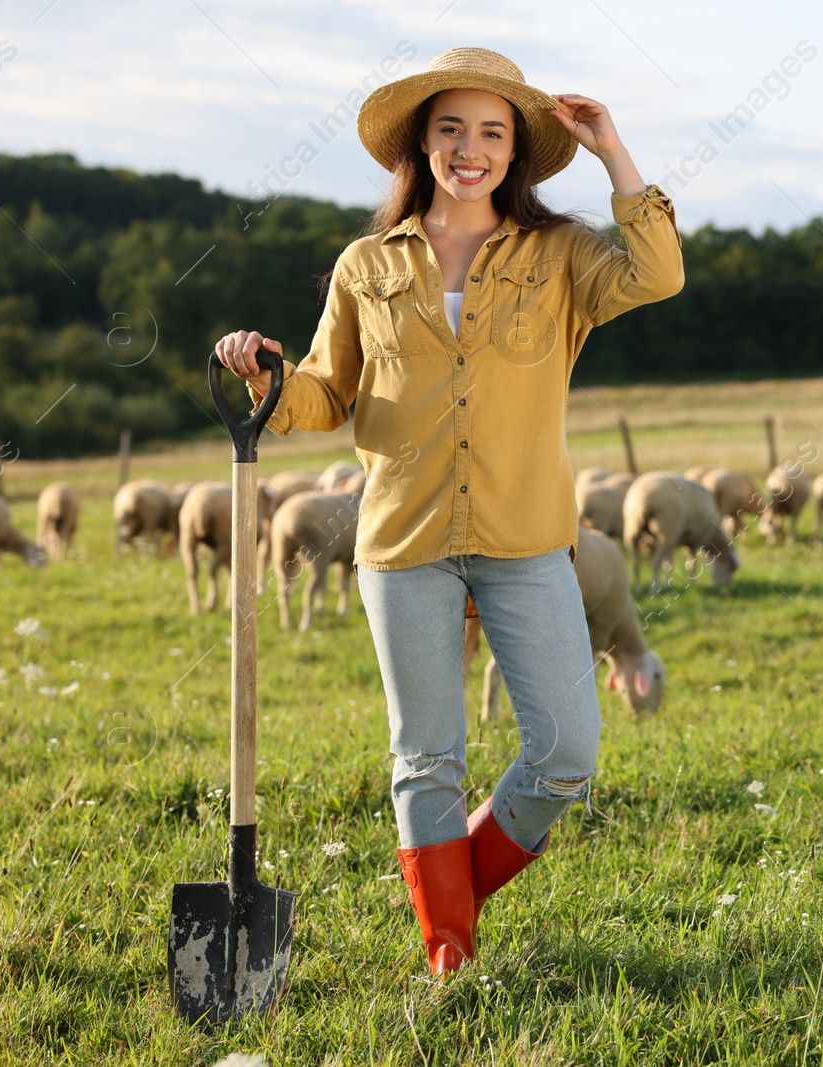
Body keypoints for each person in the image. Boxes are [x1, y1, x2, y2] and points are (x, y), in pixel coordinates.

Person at [213, 46, 684, 976]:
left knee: (566, 751)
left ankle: (447, 883)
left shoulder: (562, 256)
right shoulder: (365, 265)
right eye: (451, 130)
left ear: (516, 153)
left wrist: (613, 151)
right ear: (421, 146)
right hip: (404, 540)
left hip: (527, 537)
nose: (471, 150)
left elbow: (659, 273)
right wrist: (267, 374)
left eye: (492, 133)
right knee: (425, 758)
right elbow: (324, 396)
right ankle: (448, 953)